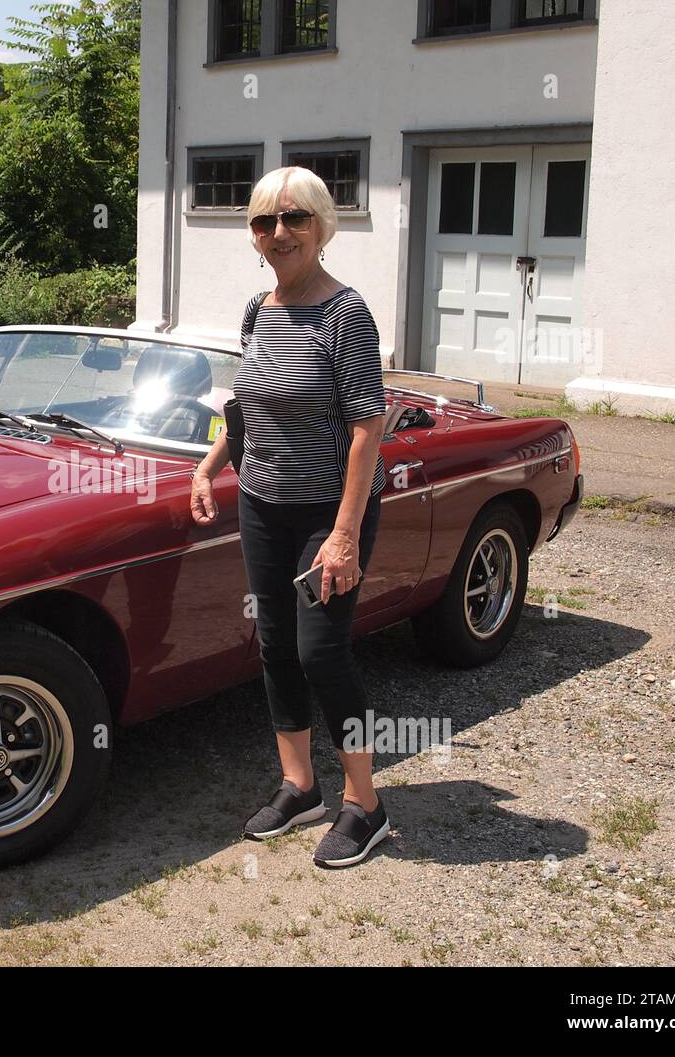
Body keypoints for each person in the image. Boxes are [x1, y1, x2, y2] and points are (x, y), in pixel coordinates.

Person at [189, 165, 391, 868]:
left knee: (321, 651)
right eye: (263, 222)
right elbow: (248, 409)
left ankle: (365, 801)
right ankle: (300, 785)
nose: (279, 233)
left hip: (325, 513)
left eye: (294, 218)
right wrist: (210, 465)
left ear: (321, 225)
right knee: (274, 646)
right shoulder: (258, 310)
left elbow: (369, 427)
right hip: (262, 504)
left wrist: (342, 534)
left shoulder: (345, 314)